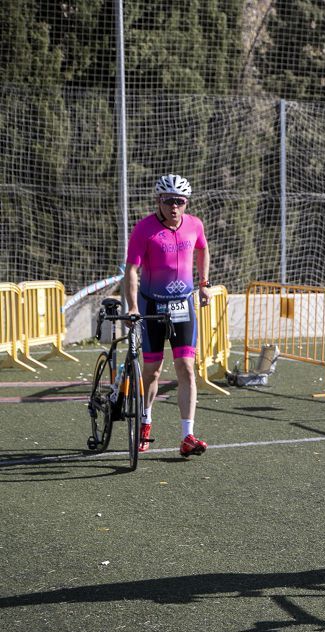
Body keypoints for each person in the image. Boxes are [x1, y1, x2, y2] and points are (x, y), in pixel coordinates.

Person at [125, 174, 211, 458]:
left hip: (183, 306)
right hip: (152, 307)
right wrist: (133, 306)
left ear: (186, 203)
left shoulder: (194, 224)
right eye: (168, 201)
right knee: (152, 371)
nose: (174, 206)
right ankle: (146, 420)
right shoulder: (144, 229)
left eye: (179, 201)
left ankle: (187, 435)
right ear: (158, 201)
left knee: (187, 368)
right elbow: (131, 271)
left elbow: (203, 248)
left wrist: (203, 283)